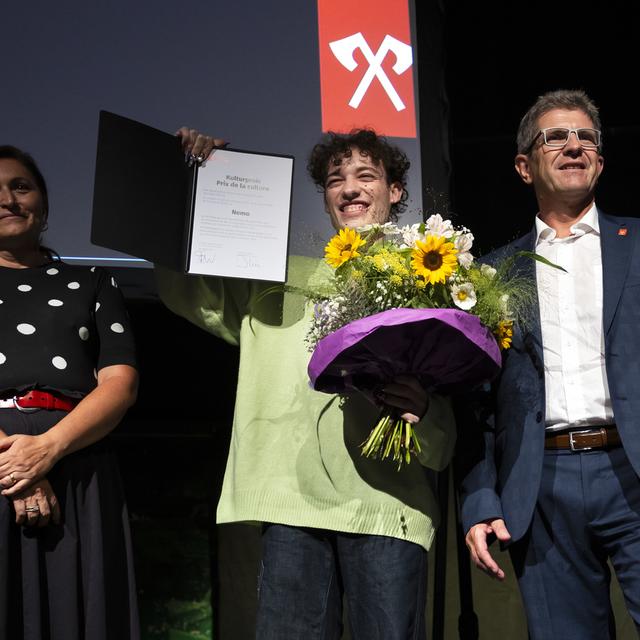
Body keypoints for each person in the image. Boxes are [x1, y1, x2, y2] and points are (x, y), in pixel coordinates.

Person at [157, 128, 456, 639]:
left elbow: (446, 421)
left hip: (386, 507)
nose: (349, 188)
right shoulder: (279, 276)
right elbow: (190, 290)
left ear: (395, 191)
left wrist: (423, 412)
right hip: (293, 502)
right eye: (335, 180)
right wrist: (195, 181)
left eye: (366, 175)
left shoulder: (431, 282)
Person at [457, 89, 640, 639]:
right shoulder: (489, 275)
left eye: (586, 138)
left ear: (601, 162)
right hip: (540, 486)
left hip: (632, 471)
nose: (573, 145)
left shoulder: (638, 244)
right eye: (555, 136)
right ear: (523, 165)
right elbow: (478, 405)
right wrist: (481, 500)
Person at [0, 145, 139, 639]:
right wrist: (18, 470)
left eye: (21, 186)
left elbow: (119, 383)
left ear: (43, 201)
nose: (9, 199)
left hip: (78, 465)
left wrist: (45, 450)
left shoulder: (93, 281)